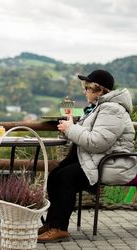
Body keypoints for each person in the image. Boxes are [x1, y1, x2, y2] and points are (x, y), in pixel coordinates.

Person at [38, 69, 137, 243]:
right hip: (99, 159)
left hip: (113, 164)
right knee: (55, 175)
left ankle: (59, 228)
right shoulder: (97, 108)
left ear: (99, 90)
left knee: (65, 178)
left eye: (88, 88)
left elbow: (97, 142)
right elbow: (89, 134)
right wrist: (70, 129)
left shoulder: (113, 110)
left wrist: (71, 129)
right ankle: (52, 223)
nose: (85, 92)